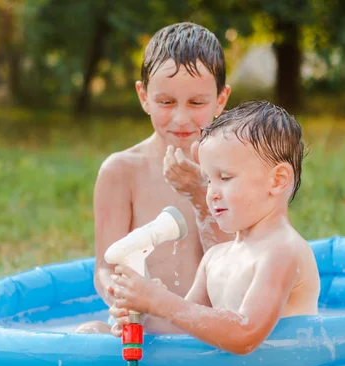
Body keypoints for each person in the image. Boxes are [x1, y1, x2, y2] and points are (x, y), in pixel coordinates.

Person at [107, 100, 321, 355]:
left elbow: (245, 335)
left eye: (225, 178)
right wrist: (141, 315)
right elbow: (185, 329)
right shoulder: (215, 258)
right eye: (208, 180)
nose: (212, 193)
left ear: (277, 180)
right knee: (90, 329)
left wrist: (160, 300)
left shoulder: (282, 252)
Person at [74, 23, 233, 334]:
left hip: (210, 333)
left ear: (221, 100)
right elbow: (107, 266)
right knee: (88, 334)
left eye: (197, 103)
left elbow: (239, 262)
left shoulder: (234, 173)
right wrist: (121, 297)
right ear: (144, 96)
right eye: (166, 102)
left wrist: (202, 197)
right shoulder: (121, 172)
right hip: (145, 330)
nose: (181, 118)